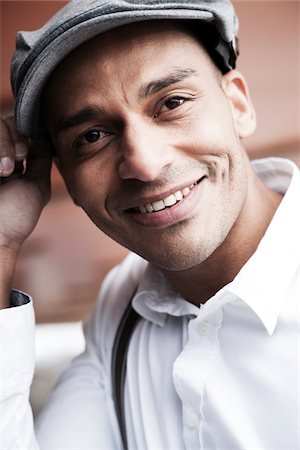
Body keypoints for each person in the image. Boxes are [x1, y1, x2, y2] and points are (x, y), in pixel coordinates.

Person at [0, 0, 299, 449]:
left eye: (172, 102)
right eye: (92, 136)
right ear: (65, 178)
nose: (143, 162)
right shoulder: (122, 310)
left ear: (238, 104)